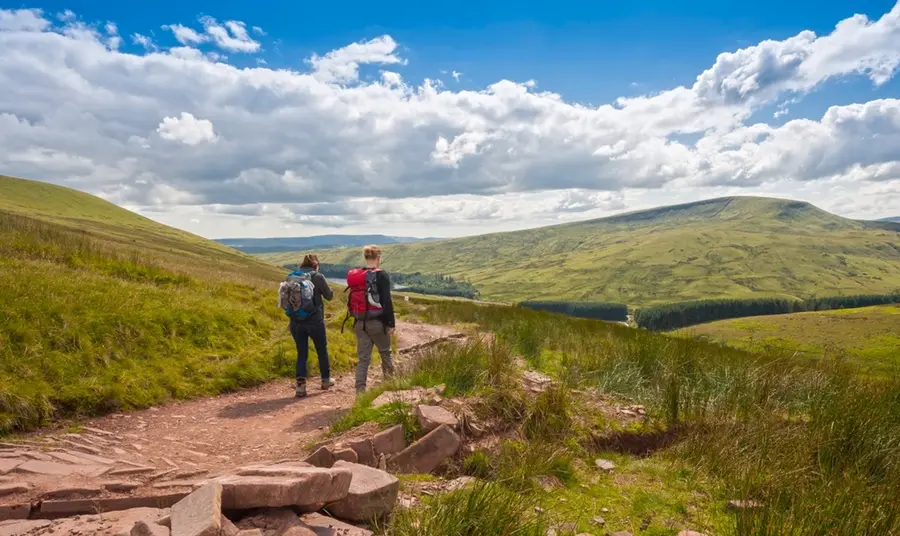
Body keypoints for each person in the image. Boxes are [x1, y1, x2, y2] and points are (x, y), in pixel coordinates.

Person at [346, 245, 395, 394]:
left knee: (363, 360)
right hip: (378, 323)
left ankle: (360, 393)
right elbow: (386, 301)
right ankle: (389, 388)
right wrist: (390, 323)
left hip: (360, 323)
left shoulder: (357, 276)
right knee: (385, 353)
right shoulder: (381, 275)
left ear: (366, 258)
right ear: (378, 258)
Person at [288, 254, 334, 398]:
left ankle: (300, 387)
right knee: (321, 350)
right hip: (315, 322)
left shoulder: (292, 277)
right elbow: (329, 296)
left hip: (296, 322)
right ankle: (325, 381)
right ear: (316, 265)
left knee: (302, 353)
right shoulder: (318, 277)